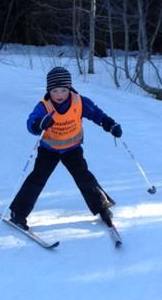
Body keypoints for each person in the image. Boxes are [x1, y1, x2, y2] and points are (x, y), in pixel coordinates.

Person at [9, 66, 122, 230]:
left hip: (72, 149)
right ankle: (18, 213)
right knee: (37, 179)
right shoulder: (44, 106)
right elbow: (31, 124)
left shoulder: (79, 102)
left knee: (84, 177)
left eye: (63, 90)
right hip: (49, 150)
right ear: (49, 91)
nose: (59, 95)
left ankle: (102, 207)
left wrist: (111, 125)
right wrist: (40, 124)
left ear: (69, 88)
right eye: (55, 91)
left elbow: (97, 114)